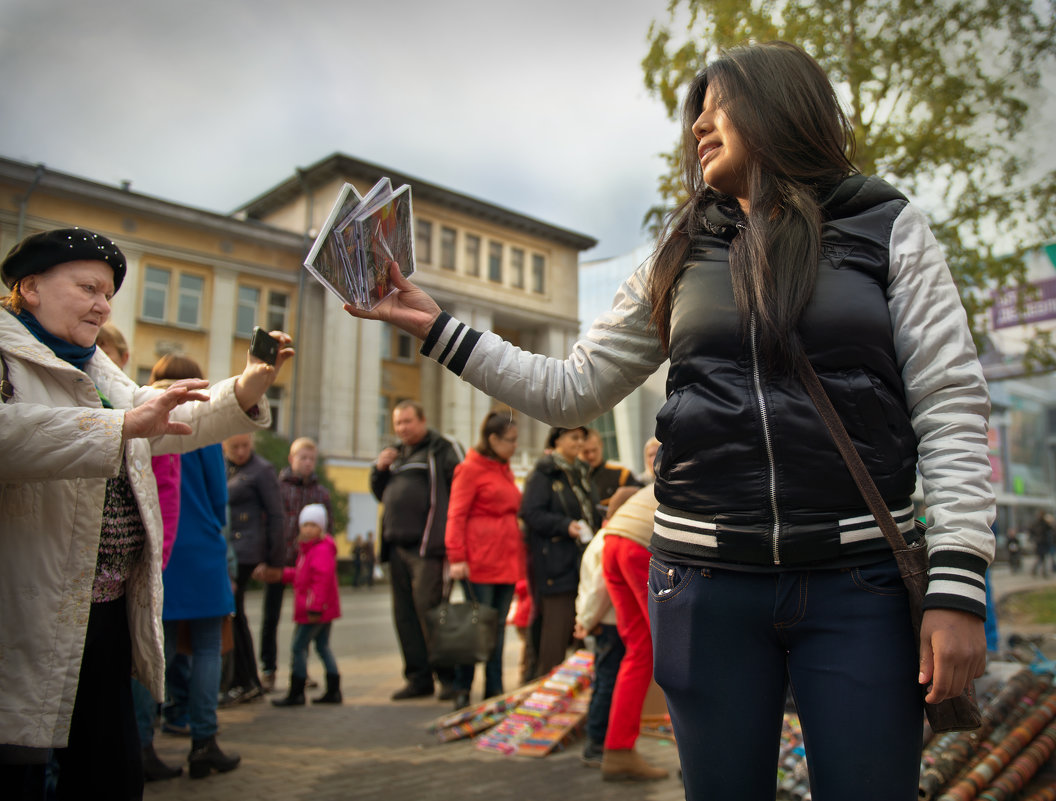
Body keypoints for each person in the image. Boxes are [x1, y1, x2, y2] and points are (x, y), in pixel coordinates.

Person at [341, 41, 994, 801]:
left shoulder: (887, 223)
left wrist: (956, 587)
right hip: (705, 586)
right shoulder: (680, 245)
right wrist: (437, 326)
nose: (698, 128)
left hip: (860, 585)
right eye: (695, 115)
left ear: (781, 105)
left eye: (718, 107)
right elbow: (571, 386)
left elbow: (948, 402)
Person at [0, 227, 290, 800]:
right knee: (22, 766)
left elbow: (168, 422)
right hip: (26, 610)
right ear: (29, 287)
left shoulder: (99, 370)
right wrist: (121, 425)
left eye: (107, 293)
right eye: (87, 287)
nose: (102, 304)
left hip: (102, 610)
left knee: (109, 772)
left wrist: (247, 387)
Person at [97, 326, 185, 780]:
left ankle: (147, 738)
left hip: (131, 574)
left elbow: (167, 492)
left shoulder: (144, 409)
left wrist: (160, 554)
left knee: (140, 661)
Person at [152, 355, 242, 779]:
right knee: (207, 648)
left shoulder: (139, 415)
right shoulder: (201, 426)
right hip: (203, 549)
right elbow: (217, 495)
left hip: (157, 548)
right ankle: (203, 742)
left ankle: (139, 745)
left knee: (153, 653)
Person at [370, 400, 464, 701]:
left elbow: (461, 487)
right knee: (405, 616)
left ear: (422, 420)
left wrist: (454, 542)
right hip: (396, 547)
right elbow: (381, 494)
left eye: (407, 422)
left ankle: (448, 679)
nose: (402, 429)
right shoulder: (397, 455)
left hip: (429, 548)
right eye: (398, 424)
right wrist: (379, 470)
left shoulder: (442, 448)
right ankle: (418, 678)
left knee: (433, 613)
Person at [445, 411, 525, 709]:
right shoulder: (470, 469)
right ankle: (463, 688)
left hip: (505, 560)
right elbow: (456, 514)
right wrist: (456, 556)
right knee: (475, 627)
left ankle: (495, 688)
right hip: (479, 561)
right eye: (510, 440)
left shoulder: (502, 469)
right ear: (493, 439)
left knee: (496, 629)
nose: (515, 445)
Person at [598, 485, 668, 782]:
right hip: (639, 546)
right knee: (673, 645)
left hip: (614, 541)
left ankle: (618, 751)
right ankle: (700, 751)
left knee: (641, 650)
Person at [520, 426, 600, 679]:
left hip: (580, 561)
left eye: (581, 438)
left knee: (579, 631)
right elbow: (531, 513)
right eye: (573, 437)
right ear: (557, 440)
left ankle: (573, 696)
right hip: (555, 562)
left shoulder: (580, 472)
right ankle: (545, 692)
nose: (579, 443)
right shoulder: (545, 472)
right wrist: (565, 526)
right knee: (555, 633)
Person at [221, 432, 285, 704]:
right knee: (234, 612)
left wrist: (274, 560)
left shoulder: (261, 470)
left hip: (247, 550)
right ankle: (244, 679)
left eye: (245, 445)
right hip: (227, 547)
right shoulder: (225, 467)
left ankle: (244, 680)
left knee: (233, 609)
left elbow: (276, 515)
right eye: (234, 446)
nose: (240, 451)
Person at [266, 437, 333, 692]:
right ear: (291, 459)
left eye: (311, 459)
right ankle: (268, 669)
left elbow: (329, 530)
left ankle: (300, 670)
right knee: (271, 616)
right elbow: (269, 522)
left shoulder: (320, 492)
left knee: (306, 618)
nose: (307, 463)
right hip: (280, 560)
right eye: (302, 458)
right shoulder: (278, 488)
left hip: (310, 565)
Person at [269, 504, 343, 706]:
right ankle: (333, 689)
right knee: (322, 646)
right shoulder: (309, 549)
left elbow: (322, 580)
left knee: (298, 647)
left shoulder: (321, 550)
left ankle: (297, 691)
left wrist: (315, 607)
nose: (308, 529)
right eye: (305, 525)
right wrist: (282, 574)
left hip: (314, 611)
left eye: (313, 525)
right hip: (320, 609)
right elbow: (303, 576)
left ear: (322, 527)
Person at [573, 521, 623, 769]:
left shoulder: (602, 539)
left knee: (604, 679)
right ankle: (596, 742)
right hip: (607, 620)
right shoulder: (608, 541)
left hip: (601, 619)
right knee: (607, 681)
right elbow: (600, 588)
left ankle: (597, 738)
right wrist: (586, 619)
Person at [579, 428, 642, 522]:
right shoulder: (573, 478)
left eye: (594, 450)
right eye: (586, 452)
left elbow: (643, 494)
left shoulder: (621, 473)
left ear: (601, 446)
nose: (591, 456)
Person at [1028, 511, 1054, 579]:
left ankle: (1036, 570)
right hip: (1042, 542)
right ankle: (1040, 571)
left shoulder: (1037, 523)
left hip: (1040, 542)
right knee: (1041, 557)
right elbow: (1050, 528)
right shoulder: (1043, 523)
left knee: (1041, 557)